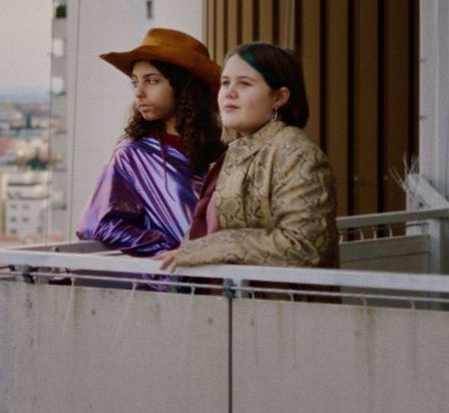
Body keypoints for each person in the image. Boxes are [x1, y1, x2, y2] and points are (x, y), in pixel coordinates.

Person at [155, 42, 338, 270]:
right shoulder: (234, 151)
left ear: (279, 97)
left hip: (279, 303)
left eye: (244, 83)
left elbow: (304, 247)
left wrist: (216, 247)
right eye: (225, 83)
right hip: (227, 300)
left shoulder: (296, 153)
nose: (229, 92)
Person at [76, 28, 224, 256]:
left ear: (184, 87)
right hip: (170, 283)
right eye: (135, 83)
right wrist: (169, 248)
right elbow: (98, 224)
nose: (139, 93)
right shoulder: (132, 154)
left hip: (224, 280)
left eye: (152, 81)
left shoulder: (222, 152)